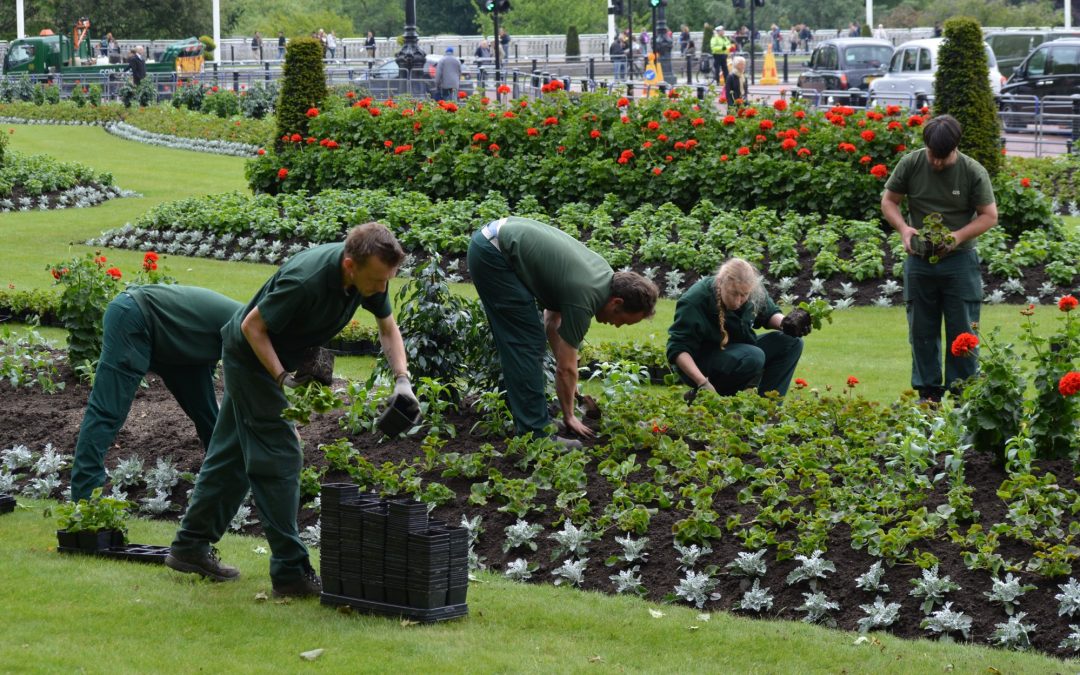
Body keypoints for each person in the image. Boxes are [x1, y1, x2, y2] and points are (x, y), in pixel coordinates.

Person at [166, 223, 415, 597]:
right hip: (250, 357)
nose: (383, 288)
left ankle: (190, 546)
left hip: (274, 355)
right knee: (280, 454)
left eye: (388, 279)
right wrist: (282, 378)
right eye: (379, 280)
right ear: (350, 265)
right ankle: (290, 572)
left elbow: (387, 328)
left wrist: (402, 380)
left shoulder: (371, 271)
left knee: (231, 456)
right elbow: (252, 328)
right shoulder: (306, 280)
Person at [467, 217, 659, 441]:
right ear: (616, 303)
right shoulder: (585, 298)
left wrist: (572, 391)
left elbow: (551, 320)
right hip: (494, 252)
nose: (617, 326)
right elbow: (566, 369)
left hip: (494, 240)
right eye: (623, 321)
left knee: (526, 342)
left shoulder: (602, 277)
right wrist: (570, 415)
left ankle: (529, 418)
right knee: (525, 344)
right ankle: (535, 435)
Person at [69, 285, 241, 502]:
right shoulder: (251, 329)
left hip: (179, 343)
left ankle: (226, 481)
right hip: (135, 316)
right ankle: (85, 500)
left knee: (208, 416)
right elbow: (250, 395)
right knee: (107, 410)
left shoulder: (260, 328)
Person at [880, 115, 998, 403]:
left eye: (943, 157)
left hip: (960, 262)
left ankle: (962, 396)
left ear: (955, 148)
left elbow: (989, 216)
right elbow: (889, 200)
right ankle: (928, 395)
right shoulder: (911, 163)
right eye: (933, 155)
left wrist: (957, 237)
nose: (936, 163)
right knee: (921, 329)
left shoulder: (972, 172)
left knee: (963, 332)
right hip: (920, 261)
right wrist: (904, 228)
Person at [667, 258, 811, 400]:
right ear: (720, 283)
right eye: (734, 293)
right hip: (701, 364)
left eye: (744, 295)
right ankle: (706, 396)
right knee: (753, 356)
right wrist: (702, 382)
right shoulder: (695, 300)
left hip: (738, 353)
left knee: (792, 342)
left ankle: (768, 409)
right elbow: (678, 349)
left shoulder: (752, 290)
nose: (739, 301)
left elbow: (769, 314)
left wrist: (789, 324)